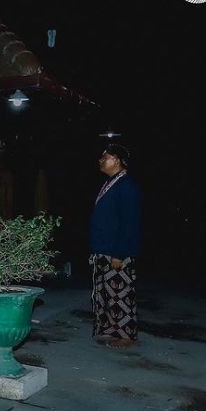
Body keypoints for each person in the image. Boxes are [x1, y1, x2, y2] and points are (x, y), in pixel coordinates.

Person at [89, 143, 142, 348]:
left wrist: (119, 253)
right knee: (106, 293)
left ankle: (126, 335)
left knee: (120, 294)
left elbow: (129, 223)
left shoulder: (127, 186)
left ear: (117, 160)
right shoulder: (112, 182)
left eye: (105, 157)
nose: (101, 160)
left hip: (117, 251)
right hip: (104, 248)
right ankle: (110, 329)